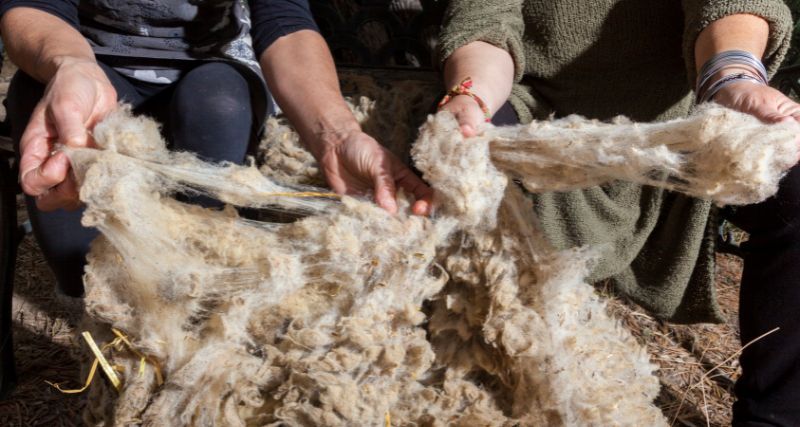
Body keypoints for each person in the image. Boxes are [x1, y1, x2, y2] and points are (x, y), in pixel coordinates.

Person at [435, 1, 800, 425]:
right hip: (537, 114)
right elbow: (485, 24)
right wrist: (472, 96)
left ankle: (774, 417)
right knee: (463, 169)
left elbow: (728, 4)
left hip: (683, 126)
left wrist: (731, 78)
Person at [0, 0, 433, 296]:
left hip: (216, 69)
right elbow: (33, 7)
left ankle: (201, 288)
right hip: (95, 64)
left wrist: (337, 135)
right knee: (38, 97)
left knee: (216, 104)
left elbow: (283, 19)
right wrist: (70, 65)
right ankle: (101, 310)